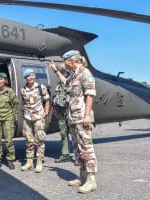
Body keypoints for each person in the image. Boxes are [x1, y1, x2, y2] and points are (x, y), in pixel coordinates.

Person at [49, 50, 98, 193]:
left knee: (86, 148)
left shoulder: (85, 73)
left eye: (65, 62)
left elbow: (90, 95)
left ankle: (91, 180)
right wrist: (56, 71)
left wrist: (87, 115)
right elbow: (66, 83)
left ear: (72, 61)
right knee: (78, 148)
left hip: (82, 117)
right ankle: (82, 178)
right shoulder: (73, 75)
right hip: (73, 118)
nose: (64, 65)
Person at [20, 69, 50, 173]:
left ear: (35, 76)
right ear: (25, 78)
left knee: (39, 140)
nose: (30, 77)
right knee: (29, 140)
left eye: (32, 75)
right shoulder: (23, 89)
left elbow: (47, 100)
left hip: (38, 117)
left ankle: (39, 162)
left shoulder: (41, 87)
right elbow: (24, 102)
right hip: (27, 117)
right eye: (28, 76)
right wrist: (24, 113)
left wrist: (45, 113)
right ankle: (29, 162)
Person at [52, 75, 76, 164]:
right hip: (61, 112)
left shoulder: (72, 85)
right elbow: (58, 96)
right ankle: (65, 154)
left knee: (74, 134)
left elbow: (74, 98)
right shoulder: (59, 85)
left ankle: (78, 156)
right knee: (63, 133)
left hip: (70, 112)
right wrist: (54, 101)